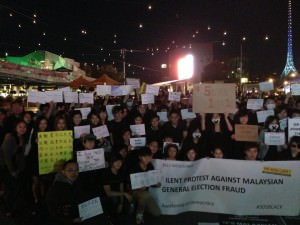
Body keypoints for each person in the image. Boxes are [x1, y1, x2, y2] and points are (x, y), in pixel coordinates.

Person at [46, 160, 107, 225]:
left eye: (76, 170)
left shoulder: (78, 182)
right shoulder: (55, 188)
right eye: (70, 170)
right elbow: (53, 211)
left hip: (80, 217)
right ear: (63, 172)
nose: (73, 173)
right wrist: (72, 220)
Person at [0, 119, 27, 216]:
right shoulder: (10, 138)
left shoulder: (22, 138)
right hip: (7, 168)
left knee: (14, 189)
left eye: (24, 127)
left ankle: (10, 207)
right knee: (13, 189)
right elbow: (6, 156)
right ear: (15, 128)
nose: (22, 129)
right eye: (20, 127)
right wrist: (12, 170)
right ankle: (7, 209)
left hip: (16, 168)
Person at [129, 148, 160, 224]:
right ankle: (139, 214)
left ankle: (140, 205)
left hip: (145, 193)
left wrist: (156, 184)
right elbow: (128, 186)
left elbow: (152, 182)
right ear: (140, 157)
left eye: (149, 157)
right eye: (144, 157)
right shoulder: (133, 167)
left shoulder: (150, 166)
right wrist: (138, 187)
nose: (147, 159)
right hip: (133, 192)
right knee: (145, 194)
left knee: (157, 213)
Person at [102, 154, 133, 221]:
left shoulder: (120, 172)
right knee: (115, 200)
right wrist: (124, 194)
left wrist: (121, 202)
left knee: (128, 203)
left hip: (118, 194)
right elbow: (108, 193)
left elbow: (121, 188)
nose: (119, 164)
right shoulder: (106, 173)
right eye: (116, 161)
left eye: (120, 161)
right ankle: (109, 217)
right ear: (111, 162)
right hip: (107, 197)